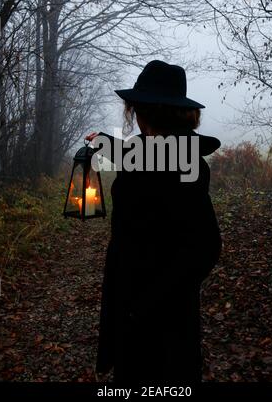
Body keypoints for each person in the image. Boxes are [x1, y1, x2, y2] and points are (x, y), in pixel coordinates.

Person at [86, 60, 222, 384]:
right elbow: (141, 159)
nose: (134, 116)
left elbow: (205, 247)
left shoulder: (179, 164)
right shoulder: (164, 155)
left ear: (149, 112)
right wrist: (102, 142)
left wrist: (144, 307)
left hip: (159, 325)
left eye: (137, 108)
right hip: (143, 317)